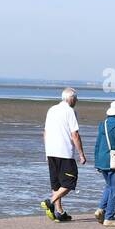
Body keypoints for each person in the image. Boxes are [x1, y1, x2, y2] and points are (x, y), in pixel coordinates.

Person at [41, 87, 87, 222]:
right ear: (71, 98)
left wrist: (46, 151)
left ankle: (59, 212)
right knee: (69, 182)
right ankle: (50, 202)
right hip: (64, 152)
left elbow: (45, 132)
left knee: (57, 184)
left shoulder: (52, 109)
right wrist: (81, 154)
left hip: (51, 151)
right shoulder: (70, 111)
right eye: (76, 98)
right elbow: (75, 134)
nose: (77, 100)